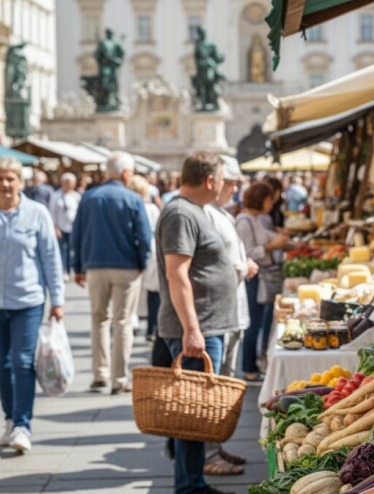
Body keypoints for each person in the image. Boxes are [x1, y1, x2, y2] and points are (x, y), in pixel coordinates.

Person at [155, 151, 237, 494]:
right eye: (220, 179)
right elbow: (177, 274)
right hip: (197, 328)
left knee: (194, 412)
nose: (221, 185)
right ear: (209, 180)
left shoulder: (194, 211)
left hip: (206, 325)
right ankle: (189, 486)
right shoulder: (180, 213)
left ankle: (192, 480)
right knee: (192, 413)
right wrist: (191, 329)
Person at [0, 158, 64, 452]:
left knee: (21, 362)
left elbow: (51, 258)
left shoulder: (37, 214)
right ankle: (9, 419)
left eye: (11, 179)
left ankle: (22, 425)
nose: (5, 185)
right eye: (0, 179)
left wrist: (57, 300)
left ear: (21, 182)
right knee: (1, 366)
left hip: (28, 301)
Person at [72, 151, 152, 394]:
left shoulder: (88, 197)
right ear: (126, 173)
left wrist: (78, 267)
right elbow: (144, 237)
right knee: (123, 322)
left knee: (98, 320)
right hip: (126, 267)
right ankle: (119, 378)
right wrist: (142, 264)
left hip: (95, 265)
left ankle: (100, 374)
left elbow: (77, 234)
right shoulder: (133, 198)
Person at [202, 156, 258, 475]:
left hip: (234, 311)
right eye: (232, 182)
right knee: (215, 386)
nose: (236, 188)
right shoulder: (205, 215)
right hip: (219, 312)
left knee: (226, 382)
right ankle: (209, 453)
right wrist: (243, 267)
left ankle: (217, 445)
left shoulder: (222, 214)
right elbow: (212, 262)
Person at [236, 183, 288, 381]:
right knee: (253, 323)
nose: (271, 203)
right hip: (252, 278)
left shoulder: (253, 220)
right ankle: (249, 368)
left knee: (257, 321)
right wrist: (271, 246)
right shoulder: (244, 221)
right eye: (269, 199)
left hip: (257, 276)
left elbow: (268, 237)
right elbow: (248, 253)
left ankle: (254, 364)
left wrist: (281, 238)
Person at [128, 175, 161, 343]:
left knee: (135, 291)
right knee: (152, 291)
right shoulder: (151, 208)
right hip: (151, 251)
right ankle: (151, 327)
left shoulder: (130, 206)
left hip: (133, 252)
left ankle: (134, 322)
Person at [48, 173, 81, 278]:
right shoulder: (56, 196)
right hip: (60, 227)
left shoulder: (76, 196)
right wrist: (55, 227)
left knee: (72, 249)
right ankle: (62, 270)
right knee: (61, 249)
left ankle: (70, 269)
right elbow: (52, 212)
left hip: (73, 227)